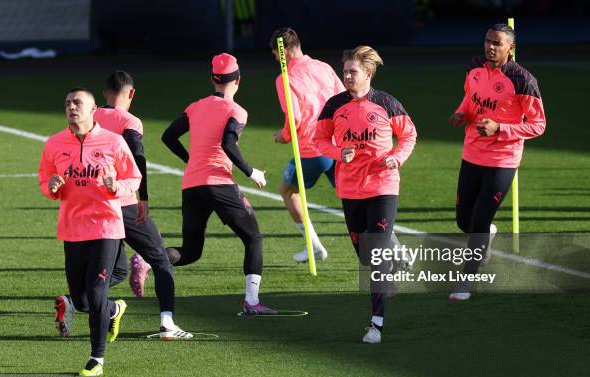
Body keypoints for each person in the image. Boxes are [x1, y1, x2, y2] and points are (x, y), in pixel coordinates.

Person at [54, 71, 192, 341]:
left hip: (94, 207)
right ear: (131, 94)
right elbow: (137, 156)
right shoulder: (130, 121)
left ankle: (76, 302)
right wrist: (143, 197)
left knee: (117, 270)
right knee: (161, 261)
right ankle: (167, 323)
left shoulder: (91, 117)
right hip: (124, 203)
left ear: (104, 95)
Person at [315, 46, 417, 343]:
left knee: (376, 255)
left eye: (353, 72)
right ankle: (395, 261)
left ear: (368, 73)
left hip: (383, 186)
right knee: (365, 256)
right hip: (350, 189)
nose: (347, 76)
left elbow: (409, 135)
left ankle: (376, 324)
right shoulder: (334, 106)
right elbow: (319, 139)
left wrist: (396, 158)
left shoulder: (387, 103)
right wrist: (337, 152)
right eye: (345, 71)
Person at [162, 53, 276, 315]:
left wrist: (190, 160)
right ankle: (251, 302)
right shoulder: (236, 111)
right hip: (218, 183)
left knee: (190, 252)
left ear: (213, 79)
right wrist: (251, 172)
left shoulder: (195, 106)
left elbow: (169, 136)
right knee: (254, 238)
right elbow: (228, 143)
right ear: (238, 80)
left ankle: (148, 261)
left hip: (192, 184)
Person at [39, 88, 142, 376]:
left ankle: (97, 358)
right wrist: (52, 188)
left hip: (106, 227)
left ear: (94, 109)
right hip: (72, 230)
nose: (72, 107)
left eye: (78, 103)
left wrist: (115, 187)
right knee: (82, 300)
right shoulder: (54, 144)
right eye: (68, 103)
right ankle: (113, 310)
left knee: (96, 294)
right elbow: (44, 180)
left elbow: (133, 178)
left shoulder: (114, 142)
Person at [448, 23, 546, 301]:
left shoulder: (523, 80)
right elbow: (470, 98)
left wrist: (500, 129)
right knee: (464, 221)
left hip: (502, 159)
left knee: (479, 219)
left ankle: (466, 280)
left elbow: (538, 125)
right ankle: (487, 233)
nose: (491, 47)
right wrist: (460, 113)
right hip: (472, 154)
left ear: (510, 48)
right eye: (488, 41)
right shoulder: (474, 66)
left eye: (498, 43)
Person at [269, 27, 345, 263]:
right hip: (338, 143)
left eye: (275, 55)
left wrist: (283, 136)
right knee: (357, 197)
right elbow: (344, 99)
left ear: (284, 52)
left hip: (313, 147)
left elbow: (295, 119)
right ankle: (392, 246)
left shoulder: (285, 78)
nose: (274, 60)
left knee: (288, 190)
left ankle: (314, 246)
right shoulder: (323, 66)